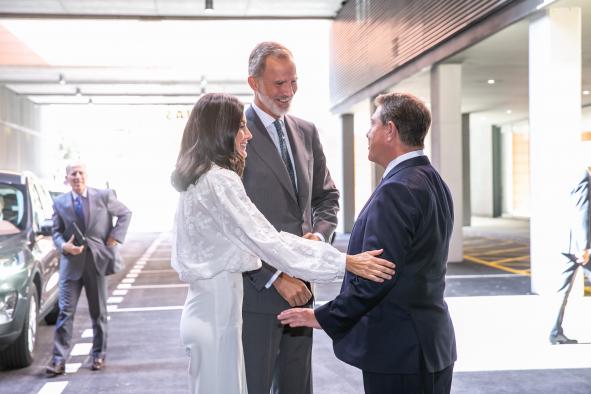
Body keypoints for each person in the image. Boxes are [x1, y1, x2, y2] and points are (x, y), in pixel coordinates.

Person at [170, 92, 395, 394]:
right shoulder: (219, 181)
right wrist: (346, 262)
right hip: (215, 315)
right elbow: (269, 242)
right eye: (240, 127)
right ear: (220, 131)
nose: (247, 134)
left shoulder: (200, 178)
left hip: (209, 313)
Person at [279, 92, 457, 394]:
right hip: (430, 345)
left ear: (391, 131)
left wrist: (323, 316)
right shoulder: (432, 180)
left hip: (400, 353)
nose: (367, 132)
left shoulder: (397, 189)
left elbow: (377, 275)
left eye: (372, 123)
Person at [241, 41, 339, 394]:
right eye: (279, 84)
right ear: (254, 83)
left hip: (303, 286)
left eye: (293, 82)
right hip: (256, 292)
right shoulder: (233, 135)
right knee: (254, 385)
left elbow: (327, 197)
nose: (288, 92)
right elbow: (231, 223)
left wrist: (319, 237)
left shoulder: (306, 131)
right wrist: (273, 276)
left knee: (298, 386)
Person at [46, 162, 132, 376]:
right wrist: (63, 245)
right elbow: (55, 231)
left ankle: (98, 355)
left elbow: (125, 213)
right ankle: (58, 360)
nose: (77, 177)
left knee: (99, 313)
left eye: (80, 173)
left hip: (96, 263)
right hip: (70, 265)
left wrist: (115, 236)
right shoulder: (59, 202)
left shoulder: (103, 196)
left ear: (86, 175)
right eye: (72, 174)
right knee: (65, 312)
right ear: (66, 178)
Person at [549, 168, 591, 344]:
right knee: (562, 290)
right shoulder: (583, 177)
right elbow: (583, 211)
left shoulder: (568, 175)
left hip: (566, 242)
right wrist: (584, 246)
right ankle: (554, 331)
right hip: (578, 246)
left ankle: (554, 331)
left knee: (562, 290)